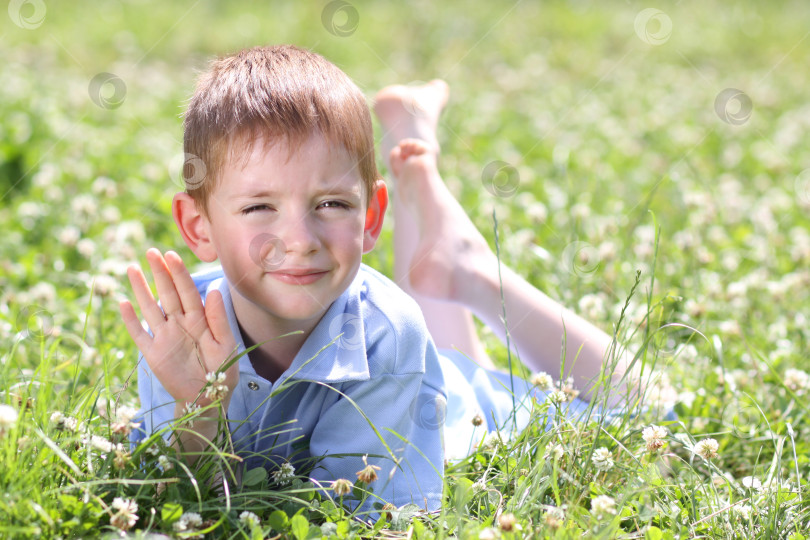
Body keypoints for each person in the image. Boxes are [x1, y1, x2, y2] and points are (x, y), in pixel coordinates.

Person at [120, 45, 629, 515]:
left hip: (461, 404)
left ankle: (470, 267)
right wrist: (198, 414)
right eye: (259, 207)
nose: (300, 240)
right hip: (420, 365)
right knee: (442, 349)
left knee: (638, 401)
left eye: (332, 204)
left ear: (369, 218)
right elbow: (176, 498)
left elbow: (350, 514)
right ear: (197, 227)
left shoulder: (389, 334)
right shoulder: (180, 337)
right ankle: (425, 178)